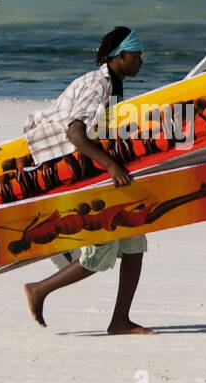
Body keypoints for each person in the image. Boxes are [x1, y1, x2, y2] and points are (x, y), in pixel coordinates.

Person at [21, 27, 153, 334]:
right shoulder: (99, 86)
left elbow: (102, 130)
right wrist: (110, 166)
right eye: (137, 56)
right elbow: (75, 133)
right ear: (121, 56)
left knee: (135, 240)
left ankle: (120, 320)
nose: (141, 62)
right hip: (65, 169)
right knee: (100, 250)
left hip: (85, 167)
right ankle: (38, 290)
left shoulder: (113, 84)